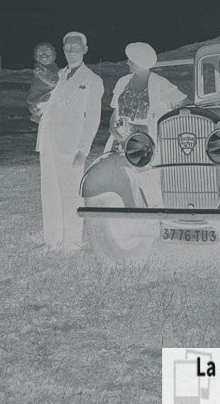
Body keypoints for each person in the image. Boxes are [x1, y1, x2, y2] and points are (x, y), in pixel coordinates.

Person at [37, 31, 103, 253]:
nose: (72, 53)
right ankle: (52, 241)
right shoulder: (58, 75)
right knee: (50, 193)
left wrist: (83, 150)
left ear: (85, 50)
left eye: (76, 48)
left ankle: (71, 244)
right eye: (67, 49)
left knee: (71, 194)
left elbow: (93, 118)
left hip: (71, 146)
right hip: (49, 144)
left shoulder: (93, 80)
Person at [107, 42, 188, 150]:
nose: (127, 62)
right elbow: (115, 110)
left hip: (149, 142)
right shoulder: (122, 82)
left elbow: (185, 103)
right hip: (121, 140)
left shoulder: (160, 83)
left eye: (131, 59)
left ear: (141, 61)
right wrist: (112, 128)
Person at [26, 42, 60, 124]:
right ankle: (36, 114)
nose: (44, 55)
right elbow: (42, 76)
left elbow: (57, 76)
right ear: (37, 57)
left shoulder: (54, 67)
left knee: (50, 101)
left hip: (49, 90)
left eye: (47, 53)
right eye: (41, 54)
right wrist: (50, 81)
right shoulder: (39, 67)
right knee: (42, 101)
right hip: (40, 91)